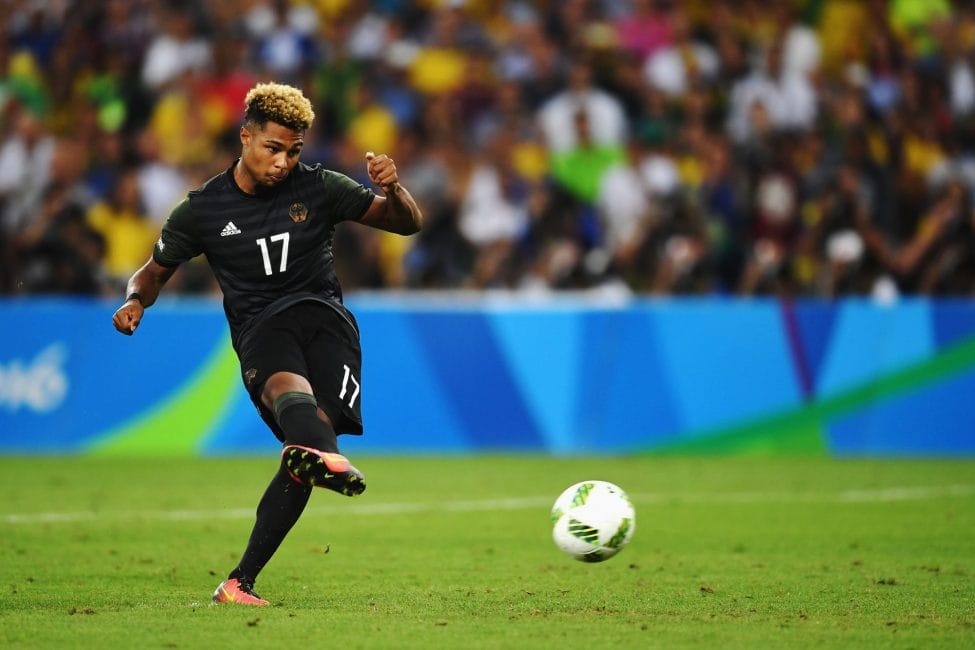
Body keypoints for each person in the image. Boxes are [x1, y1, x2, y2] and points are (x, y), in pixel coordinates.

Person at [111, 82, 423, 606]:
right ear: (245, 138)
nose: (283, 162)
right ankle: (324, 456)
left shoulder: (321, 186)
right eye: (273, 148)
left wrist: (395, 189)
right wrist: (136, 302)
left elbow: (406, 224)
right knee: (289, 395)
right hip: (262, 328)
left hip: (328, 324)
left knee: (303, 450)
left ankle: (239, 581)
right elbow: (152, 273)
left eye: (293, 151)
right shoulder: (203, 210)